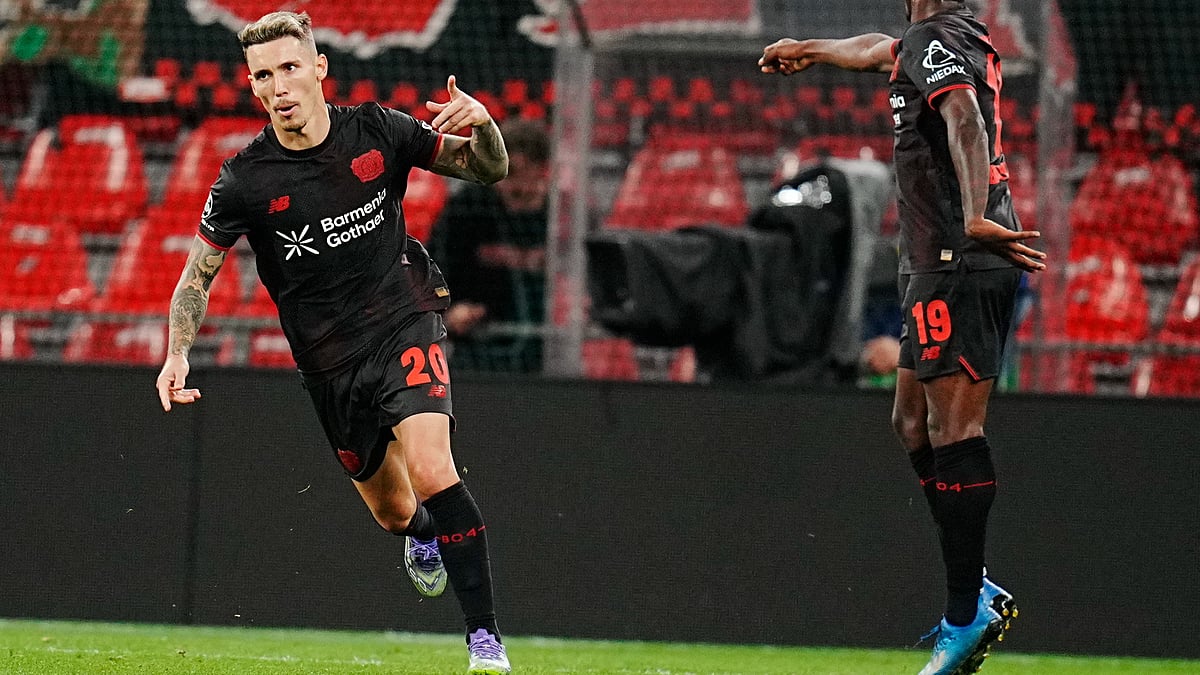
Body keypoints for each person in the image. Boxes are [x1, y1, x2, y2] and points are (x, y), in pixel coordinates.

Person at [154, 11, 512, 674]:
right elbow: (195, 278)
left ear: (319, 68)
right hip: (330, 364)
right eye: (265, 75)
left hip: (405, 317)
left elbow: (489, 170)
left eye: (291, 67)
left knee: (435, 469)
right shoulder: (244, 181)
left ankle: (484, 640)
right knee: (397, 510)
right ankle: (425, 536)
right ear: (255, 89)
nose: (280, 84)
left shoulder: (377, 129)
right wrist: (178, 350)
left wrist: (485, 125)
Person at [760, 1, 1046, 673]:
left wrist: (974, 214)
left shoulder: (937, 35)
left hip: (959, 256)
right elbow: (877, 49)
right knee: (911, 421)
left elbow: (965, 118)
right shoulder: (933, 38)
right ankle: (971, 588)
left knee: (954, 431)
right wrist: (812, 47)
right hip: (932, 259)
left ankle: (962, 613)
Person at [429, 118, 551, 374]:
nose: (505, 180)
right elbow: (433, 265)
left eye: (515, 170)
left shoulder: (561, 217)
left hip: (546, 348)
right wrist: (449, 310)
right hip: (480, 347)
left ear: (541, 169)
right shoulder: (469, 207)